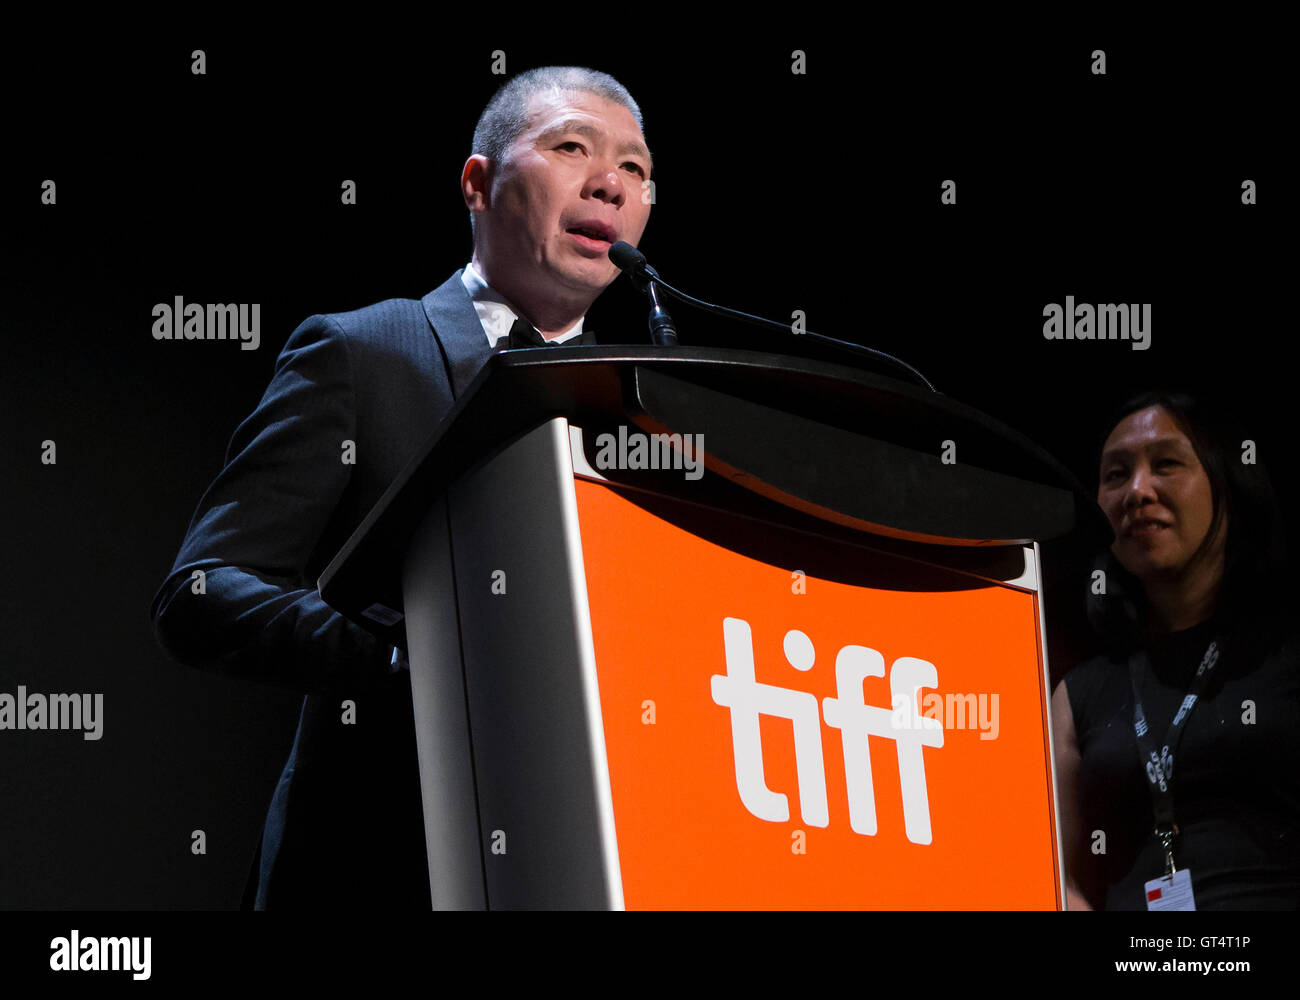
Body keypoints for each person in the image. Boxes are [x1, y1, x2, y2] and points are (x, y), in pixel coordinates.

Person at [149, 66, 653, 909]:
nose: (611, 180)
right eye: (574, 147)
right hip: (373, 865)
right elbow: (201, 592)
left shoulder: (639, 416)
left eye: (636, 169)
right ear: (479, 184)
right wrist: (406, 654)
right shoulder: (363, 354)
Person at [1052, 390, 1300, 909]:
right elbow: (1059, 876)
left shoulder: (1284, 650)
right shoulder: (1079, 694)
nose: (1137, 491)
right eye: (1116, 475)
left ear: (1227, 483)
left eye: (1165, 464)